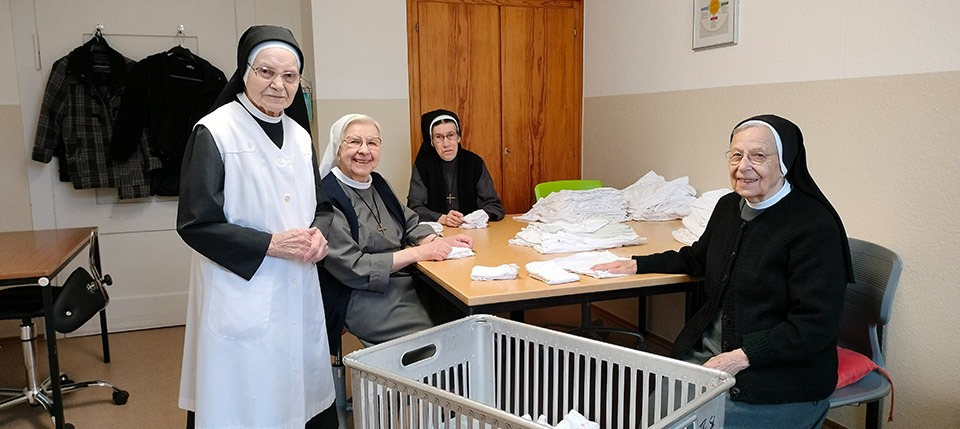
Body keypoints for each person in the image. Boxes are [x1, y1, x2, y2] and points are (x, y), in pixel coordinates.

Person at [593, 115, 854, 429]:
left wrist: (743, 356)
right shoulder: (729, 206)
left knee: (694, 424)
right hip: (713, 357)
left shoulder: (813, 226)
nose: (743, 167)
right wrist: (639, 264)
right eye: (736, 155)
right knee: (653, 417)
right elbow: (698, 258)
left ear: (785, 162)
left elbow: (815, 324)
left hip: (778, 374)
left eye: (758, 156)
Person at [176, 25, 338, 429]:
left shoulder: (300, 136)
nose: (278, 85)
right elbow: (195, 223)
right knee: (245, 399)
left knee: (299, 393)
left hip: (298, 286)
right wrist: (270, 244)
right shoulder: (215, 131)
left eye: (289, 76)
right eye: (266, 72)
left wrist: (320, 234)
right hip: (240, 288)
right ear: (244, 71)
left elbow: (321, 206)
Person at [317, 114, 473, 350]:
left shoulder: (378, 183)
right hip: (361, 293)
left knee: (462, 317)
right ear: (338, 148)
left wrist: (436, 241)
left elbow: (409, 222)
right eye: (354, 141)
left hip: (402, 280)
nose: (364, 150)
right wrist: (419, 253)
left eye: (372, 142)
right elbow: (353, 267)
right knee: (434, 342)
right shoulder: (329, 197)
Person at [408, 109, 504, 227]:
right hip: (438, 231)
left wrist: (481, 215)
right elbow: (414, 208)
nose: (446, 143)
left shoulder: (474, 162)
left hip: (471, 230)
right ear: (432, 141)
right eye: (439, 137)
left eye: (451, 135)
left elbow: (494, 205)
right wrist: (441, 218)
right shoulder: (423, 166)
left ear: (458, 137)